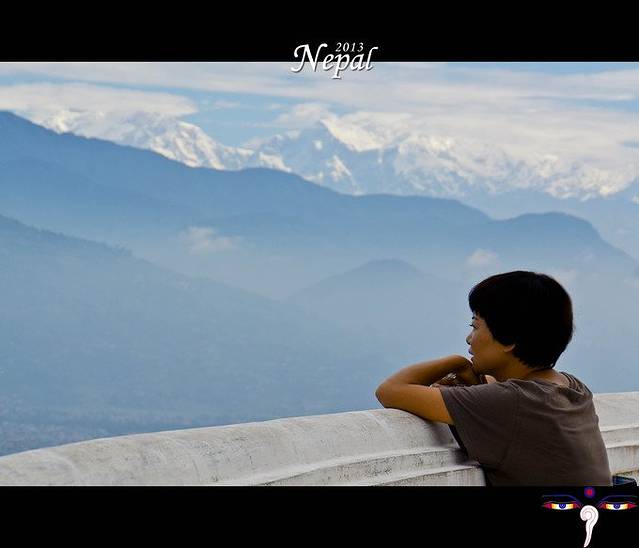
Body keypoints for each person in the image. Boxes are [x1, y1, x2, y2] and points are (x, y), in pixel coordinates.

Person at [375, 270, 612, 486]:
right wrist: (470, 383)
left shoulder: (513, 402)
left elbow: (390, 390)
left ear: (509, 339)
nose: (469, 338)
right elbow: (498, 395)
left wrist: (455, 362)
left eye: (475, 326)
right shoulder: (573, 388)